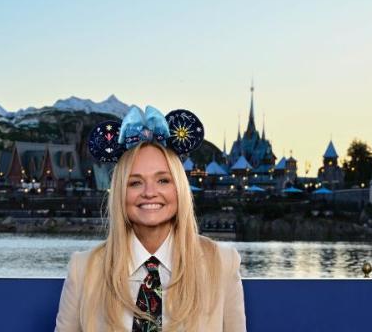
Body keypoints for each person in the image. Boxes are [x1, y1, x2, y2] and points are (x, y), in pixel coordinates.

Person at [55, 106, 246, 331]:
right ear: (120, 192)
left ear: (179, 188)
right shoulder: (83, 269)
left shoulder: (222, 263)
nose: (149, 192)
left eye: (163, 180)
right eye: (135, 182)